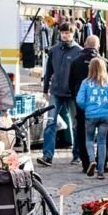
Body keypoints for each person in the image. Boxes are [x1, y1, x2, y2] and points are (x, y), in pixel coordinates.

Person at [69, 35, 108, 172]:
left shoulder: (75, 62)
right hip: (102, 105)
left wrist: (77, 99)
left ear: (84, 45)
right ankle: (102, 163)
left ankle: (86, 163)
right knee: (103, 135)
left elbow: (70, 83)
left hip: (83, 105)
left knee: (83, 133)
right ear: (98, 46)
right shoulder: (104, 62)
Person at [40, 21, 82, 166]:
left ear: (73, 34)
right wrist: (45, 89)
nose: (65, 35)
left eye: (68, 33)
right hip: (56, 92)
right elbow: (48, 71)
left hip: (72, 94)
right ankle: (47, 156)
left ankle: (77, 155)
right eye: (63, 33)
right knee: (50, 122)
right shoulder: (54, 50)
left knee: (76, 124)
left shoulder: (79, 51)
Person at [75, 58, 108, 179]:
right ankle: (100, 171)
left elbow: (79, 100)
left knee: (89, 140)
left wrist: (87, 108)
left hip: (90, 116)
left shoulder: (85, 82)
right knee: (102, 142)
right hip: (105, 115)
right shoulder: (107, 82)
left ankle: (91, 160)